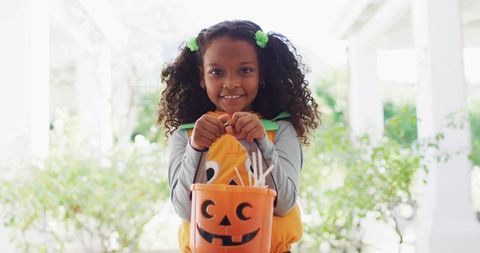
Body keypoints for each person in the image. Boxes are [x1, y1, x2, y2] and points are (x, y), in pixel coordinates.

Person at [157, 20, 319, 253]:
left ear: (261, 73)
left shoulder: (280, 130)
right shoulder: (187, 136)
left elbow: (283, 204)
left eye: (245, 70)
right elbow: (184, 210)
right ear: (202, 77)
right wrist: (197, 148)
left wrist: (258, 143)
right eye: (216, 72)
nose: (231, 83)